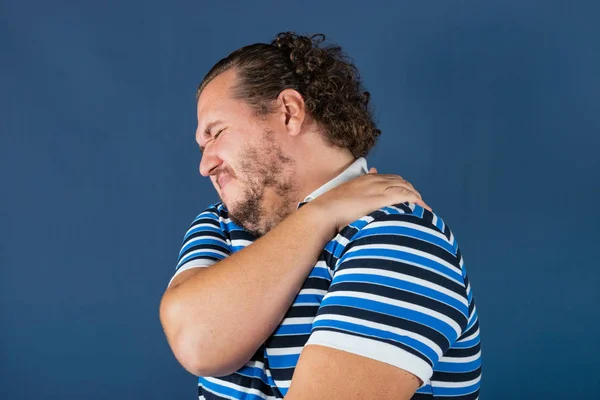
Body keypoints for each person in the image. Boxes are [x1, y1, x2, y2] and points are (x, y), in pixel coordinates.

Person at [160, 32, 481, 400]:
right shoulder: (221, 223)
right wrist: (321, 214)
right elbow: (198, 344)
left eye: (215, 134)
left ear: (289, 112)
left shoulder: (401, 238)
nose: (205, 165)